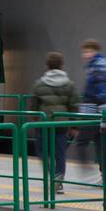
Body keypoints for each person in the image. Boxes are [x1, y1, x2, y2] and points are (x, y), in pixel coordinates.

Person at [30, 51, 78, 193]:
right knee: (60, 154)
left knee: (42, 152)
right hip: (61, 125)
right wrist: (74, 125)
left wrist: (36, 121)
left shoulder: (39, 84)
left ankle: (50, 175)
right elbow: (74, 106)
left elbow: (33, 107)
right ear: (62, 66)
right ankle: (58, 182)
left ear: (47, 66)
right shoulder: (70, 85)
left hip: (44, 124)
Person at [74, 39, 106, 182]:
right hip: (104, 110)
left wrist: (98, 105)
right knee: (100, 143)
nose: (84, 55)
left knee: (81, 141)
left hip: (96, 111)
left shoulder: (97, 66)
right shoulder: (99, 65)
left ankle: (88, 171)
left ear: (93, 50)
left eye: (86, 51)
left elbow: (101, 90)